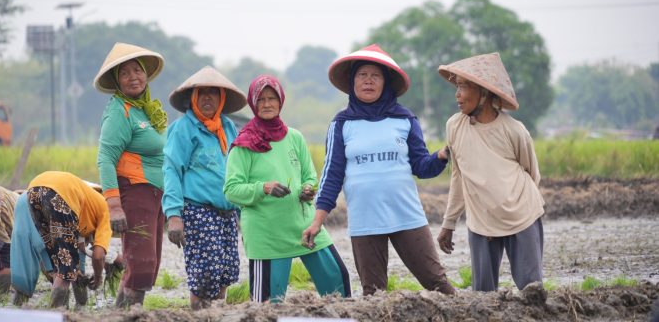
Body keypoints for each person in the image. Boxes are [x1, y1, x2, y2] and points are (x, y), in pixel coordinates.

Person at [302, 44, 455, 296]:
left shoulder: (405, 119)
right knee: (374, 294)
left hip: (406, 216)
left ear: (386, 82)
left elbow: (422, 167)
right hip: (365, 220)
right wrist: (317, 221)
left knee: (438, 284)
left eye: (375, 75)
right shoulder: (342, 124)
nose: (368, 81)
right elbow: (332, 177)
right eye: (362, 75)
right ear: (352, 82)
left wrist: (440, 156)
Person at [224, 74, 351, 303]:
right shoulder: (244, 144)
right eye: (260, 99)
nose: (267, 104)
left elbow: (309, 176)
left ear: (280, 101)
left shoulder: (294, 137)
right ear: (253, 103)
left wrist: (307, 189)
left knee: (337, 281)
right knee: (268, 306)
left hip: (304, 226)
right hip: (266, 234)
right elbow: (231, 190)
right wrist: (264, 187)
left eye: (272, 98)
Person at [436, 52, 545, 292]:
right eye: (456, 87)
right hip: (481, 221)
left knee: (532, 291)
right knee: (483, 297)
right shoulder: (455, 126)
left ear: (483, 93)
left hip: (521, 216)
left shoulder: (514, 130)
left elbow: (531, 174)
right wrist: (449, 223)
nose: (457, 95)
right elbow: (459, 177)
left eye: (462, 87)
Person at [162, 66, 247, 309]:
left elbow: (237, 170)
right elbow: (171, 170)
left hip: (227, 212)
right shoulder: (184, 128)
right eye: (202, 93)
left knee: (227, 270)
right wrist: (174, 215)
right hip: (198, 211)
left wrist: (243, 211)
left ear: (221, 99)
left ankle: (217, 314)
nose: (207, 98)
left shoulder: (228, 127)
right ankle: (199, 313)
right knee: (205, 272)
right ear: (192, 98)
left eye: (213, 93)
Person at [94, 42, 168, 307]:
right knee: (141, 264)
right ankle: (127, 314)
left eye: (137, 71)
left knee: (150, 263)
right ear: (117, 81)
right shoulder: (119, 111)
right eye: (125, 73)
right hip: (135, 192)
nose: (133, 77)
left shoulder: (143, 110)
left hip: (156, 195)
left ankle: (123, 312)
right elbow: (105, 158)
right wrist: (113, 205)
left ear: (146, 75)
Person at [16, 171, 112, 307]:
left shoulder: (86, 208)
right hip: (59, 193)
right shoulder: (106, 212)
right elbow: (98, 255)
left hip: (33, 190)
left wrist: (76, 271)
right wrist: (98, 278)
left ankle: (63, 308)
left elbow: (75, 251)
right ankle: (55, 314)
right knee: (66, 270)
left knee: (59, 263)